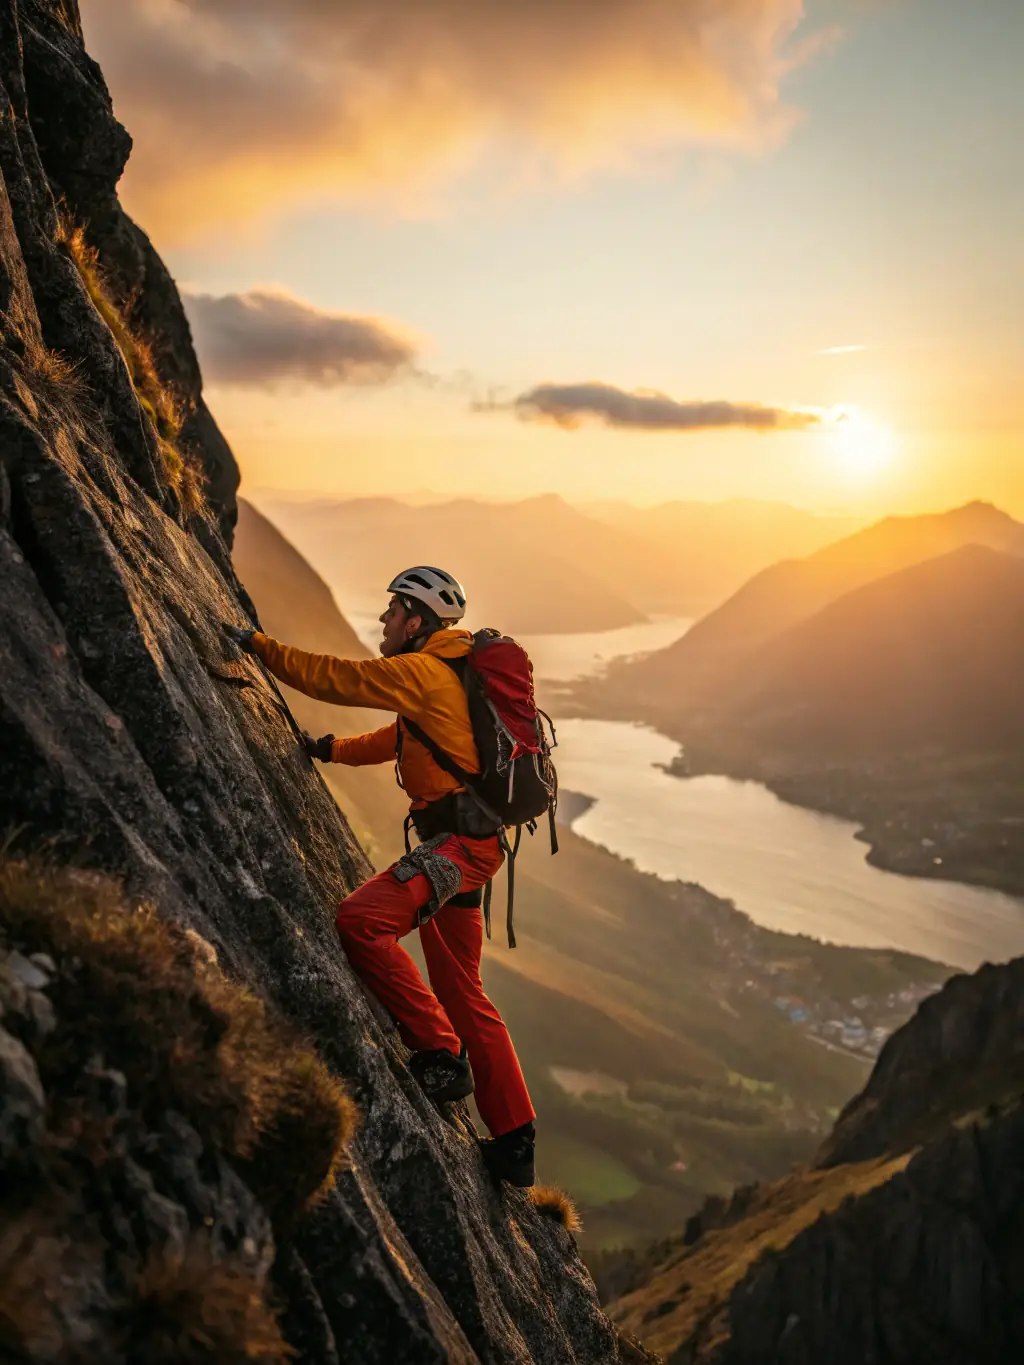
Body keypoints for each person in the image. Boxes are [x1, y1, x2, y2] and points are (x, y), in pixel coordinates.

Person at [222, 567, 536, 1186]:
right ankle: (517, 1140)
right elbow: (406, 737)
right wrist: (334, 750)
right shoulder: (448, 671)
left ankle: (442, 1053)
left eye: (393, 612)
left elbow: (343, 678)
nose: (384, 622)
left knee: (362, 921)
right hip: (474, 845)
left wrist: (260, 646)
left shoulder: (420, 670)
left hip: (455, 851)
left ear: (416, 620)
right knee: (462, 987)